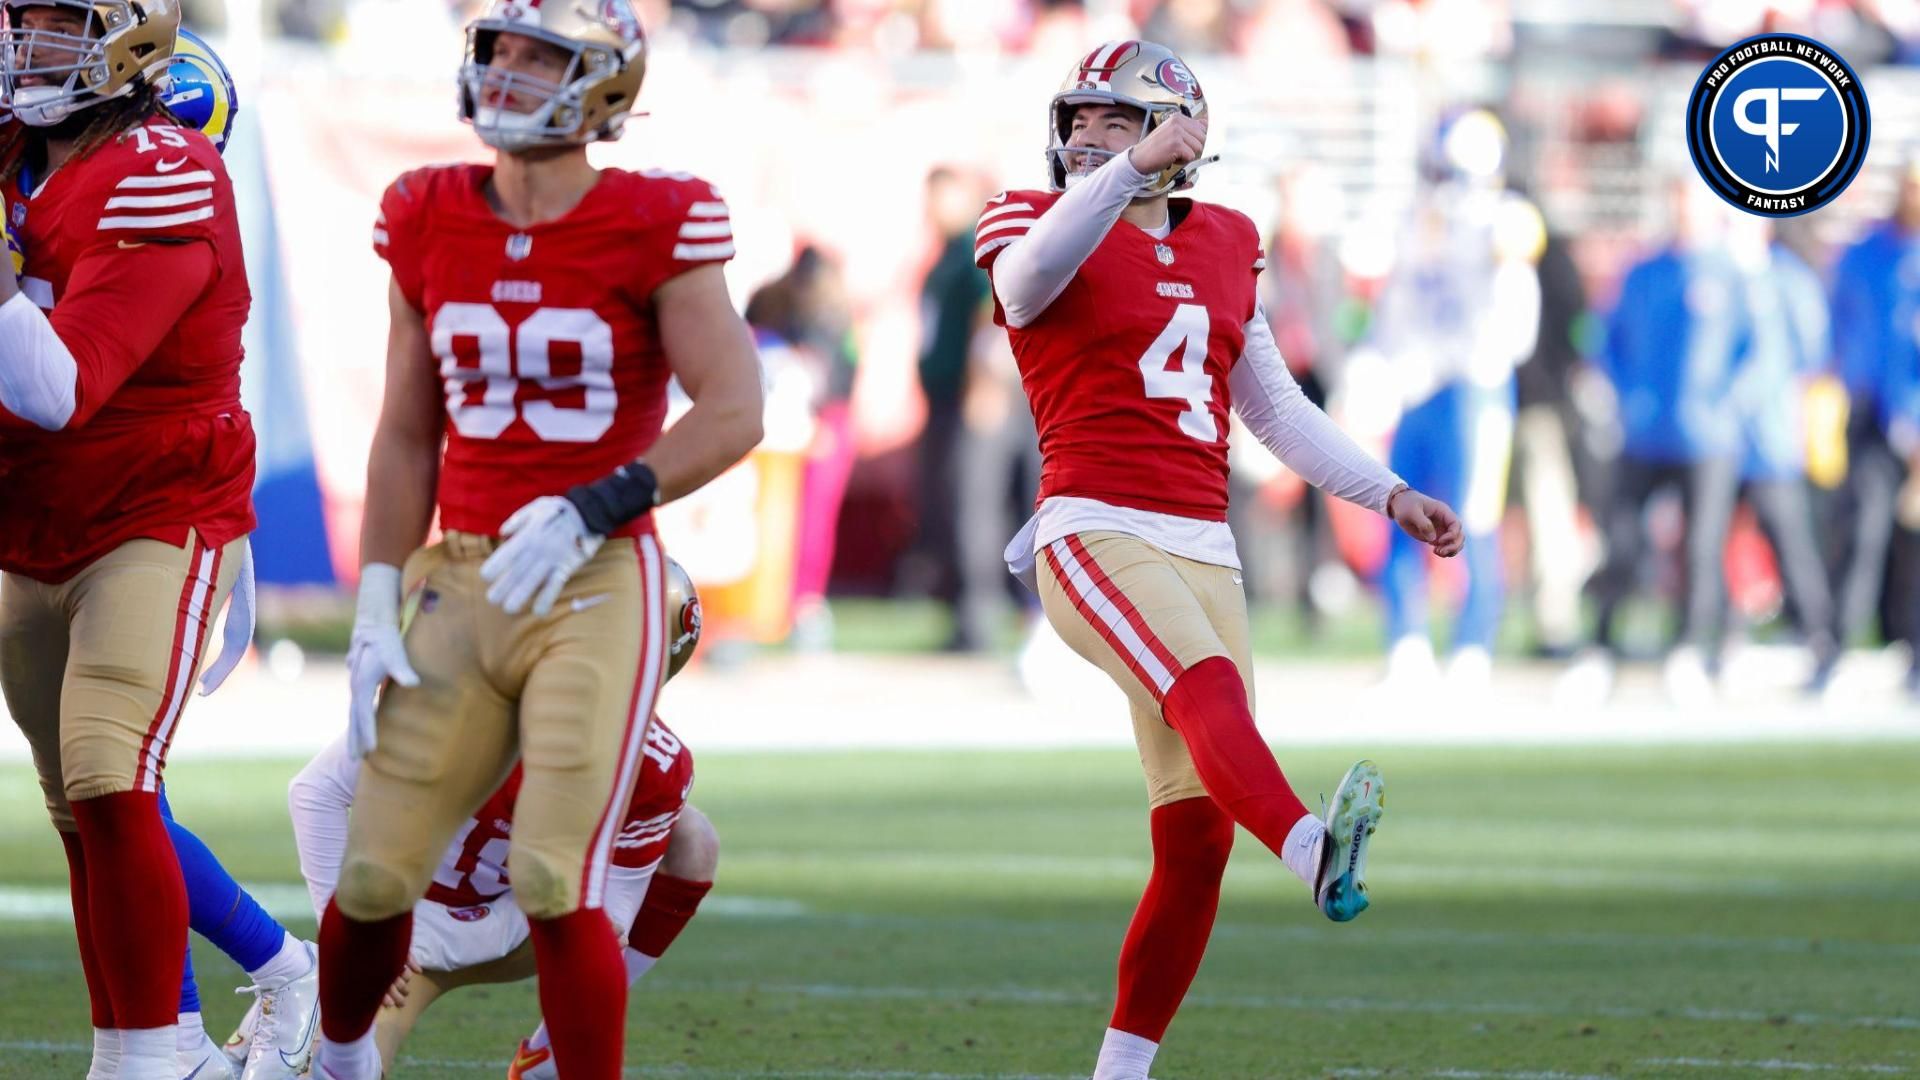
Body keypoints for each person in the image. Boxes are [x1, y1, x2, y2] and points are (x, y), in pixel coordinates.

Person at [975, 40, 1461, 1080]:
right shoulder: (1029, 217)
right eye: (1078, 121)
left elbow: (1274, 406)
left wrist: (1388, 493)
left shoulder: (1229, 237)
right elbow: (1025, 287)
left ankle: (1120, 1072)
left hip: (1206, 540)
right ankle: (1308, 846)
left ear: (1182, 131)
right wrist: (1123, 171)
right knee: (1205, 693)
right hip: (1092, 524)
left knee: (1193, 843)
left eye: (1114, 120)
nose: (1084, 138)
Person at [312, 2, 763, 1077]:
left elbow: (736, 407)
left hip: (598, 573)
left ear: (605, 84)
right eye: (499, 51)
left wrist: (599, 502)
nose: (509, 73)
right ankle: (338, 1062)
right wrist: (377, 591)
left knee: (555, 876)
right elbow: (407, 430)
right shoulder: (425, 210)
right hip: (460, 574)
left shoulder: (661, 216)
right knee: (373, 880)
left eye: (541, 57)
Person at [0, 2, 258, 1076]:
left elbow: (58, 387)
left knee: (112, 770)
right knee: (75, 803)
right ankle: (155, 1045)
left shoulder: (167, 169)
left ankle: (154, 1054)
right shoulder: (19, 148)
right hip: (31, 515)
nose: (25, 50)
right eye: (20, 25)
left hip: (154, 507)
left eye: (55, 28)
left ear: (123, 39)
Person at [291, 563, 716, 1080]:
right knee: (330, 1064)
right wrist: (355, 939)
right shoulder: (458, 695)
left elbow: (616, 908)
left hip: (520, 924)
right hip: (412, 922)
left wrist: (602, 925)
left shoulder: (653, 764)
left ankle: (548, 1060)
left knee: (692, 840)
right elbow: (316, 791)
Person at [1367, 107, 1541, 690]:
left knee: (1476, 518)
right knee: (1397, 509)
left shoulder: (1502, 219)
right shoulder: (1417, 223)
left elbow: (1518, 262)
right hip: (1418, 382)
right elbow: (1394, 303)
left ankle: (1473, 648)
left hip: (1477, 384)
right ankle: (1408, 643)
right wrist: (1381, 367)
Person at [1563, 181, 1751, 705]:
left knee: (1700, 547)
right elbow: (1607, 340)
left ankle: (1689, 649)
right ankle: (1599, 649)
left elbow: (1755, 351)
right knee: (1621, 540)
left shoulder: (1731, 274)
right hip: (1645, 434)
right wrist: (1628, 396)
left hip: (1708, 439)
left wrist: (1727, 403)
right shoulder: (1644, 273)